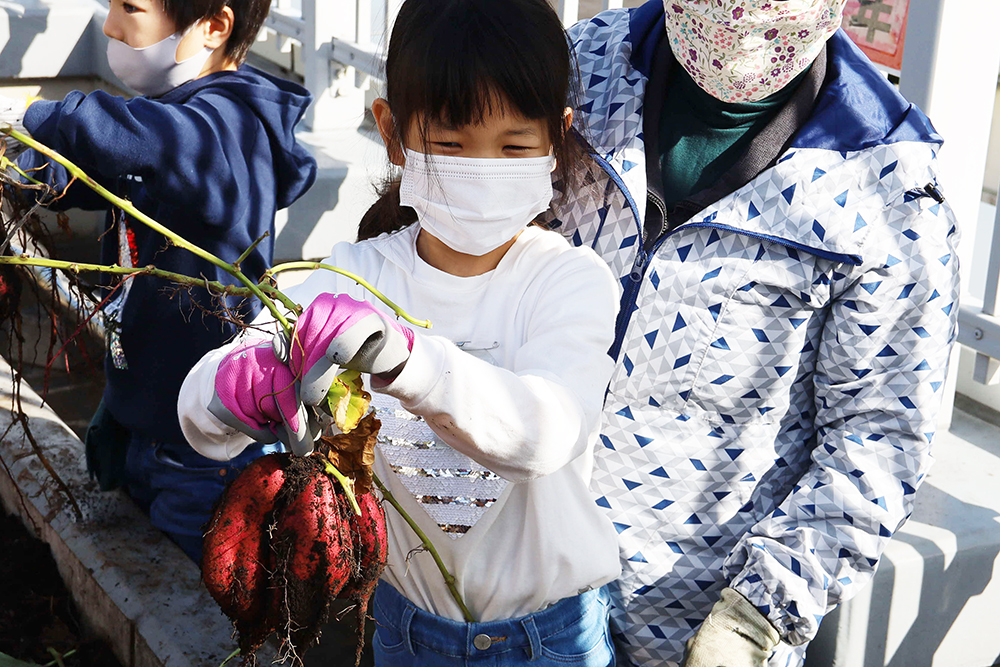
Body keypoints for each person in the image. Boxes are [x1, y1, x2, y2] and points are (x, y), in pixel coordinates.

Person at [177, 0, 623, 665]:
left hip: (550, 641)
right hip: (402, 633)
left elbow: (545, 433)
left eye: (513, 145)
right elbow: (199, 421)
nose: (482, 165)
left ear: (555, 141)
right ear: (392, 131)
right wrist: (228, 389)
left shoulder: (569, 281)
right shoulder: (352, 276)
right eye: (450, 143)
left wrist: (412, 360)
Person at [542, 1, 961, 665]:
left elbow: (879, 437)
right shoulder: (577, 69)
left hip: (682, 623)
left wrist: (758, 612)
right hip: (514, 590)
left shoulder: (887, 184)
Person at [4, 0, 317, 562]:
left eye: (131, 8)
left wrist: (43, 114)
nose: (111, 26)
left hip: (208, 453)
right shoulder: (164, 119)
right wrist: (21, 169)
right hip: (143, 415)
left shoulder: (229, 130)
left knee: (206, 602)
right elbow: (91, 169)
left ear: (214, 27)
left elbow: (147, 141)